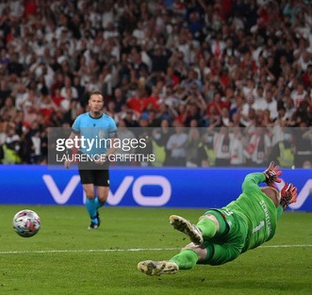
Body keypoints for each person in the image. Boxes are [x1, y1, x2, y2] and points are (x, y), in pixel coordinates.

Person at [137, 162, 298, 276]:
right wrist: (283, 203)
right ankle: (174, 264)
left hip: (238, 223)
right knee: (196, 252)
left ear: (262, 192)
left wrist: (265, 175)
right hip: (235, 249)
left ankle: (200, 230)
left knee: (214, 218)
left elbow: (250, 178)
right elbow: (277, 211)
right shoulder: (272, 228)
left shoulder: (252, 192)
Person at [67, 91, 118, 230]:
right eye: (93, 101)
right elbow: (71, 139)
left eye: (99, 101)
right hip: (85, 158)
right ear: (89, 103)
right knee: (89, 193)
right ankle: (94, 220)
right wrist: (68, 156)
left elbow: (115, 144)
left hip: (102, 161)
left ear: (102, 104)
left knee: (102, 198)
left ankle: (93, 210)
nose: (96, 104)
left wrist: (105, 155)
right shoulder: (80, 119)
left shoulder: (109, 121)